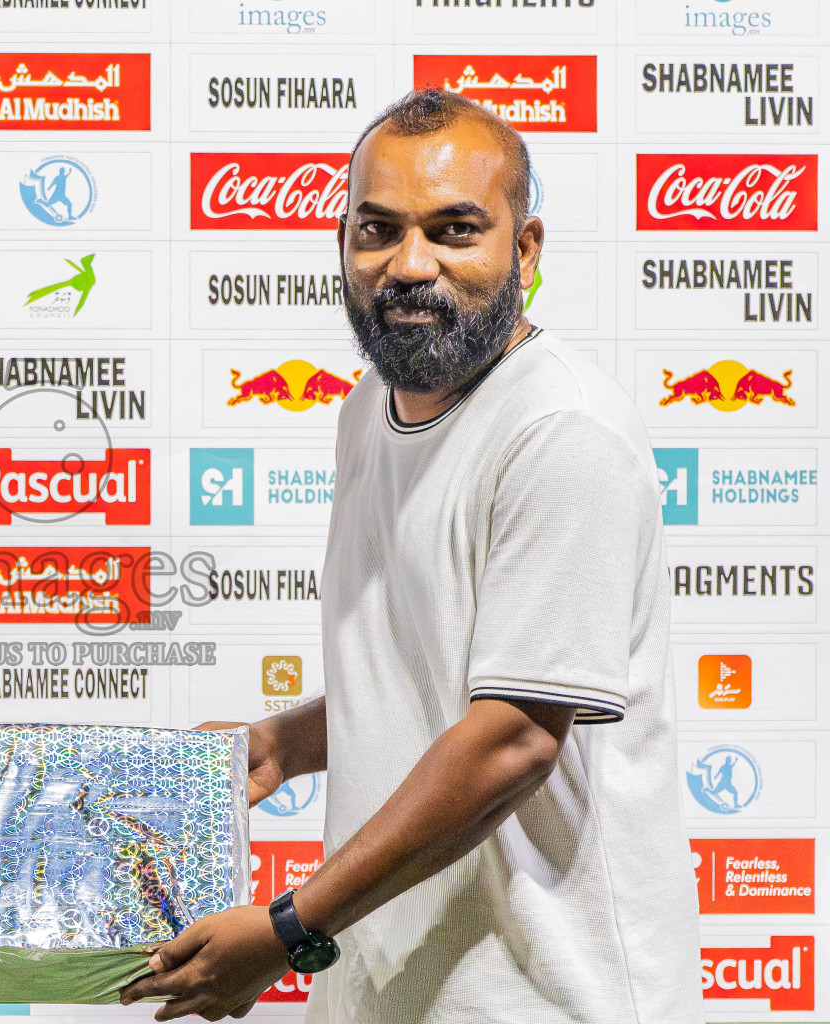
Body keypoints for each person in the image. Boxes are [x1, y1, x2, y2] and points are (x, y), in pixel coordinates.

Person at [122, 89, 701, 1023]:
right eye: (377, 229)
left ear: (527, 248)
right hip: (392, 988)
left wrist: (288, 930)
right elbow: (429, 668)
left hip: (545, 997)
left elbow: (512, 734)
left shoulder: (563, 432)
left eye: (456, 229)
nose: (409, 265)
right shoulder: (371, 407)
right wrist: (281, 746)